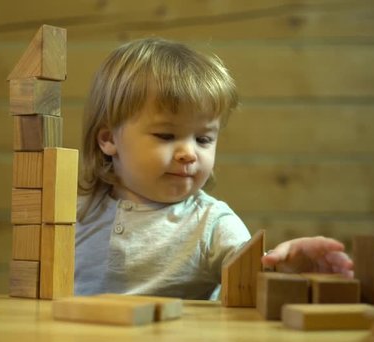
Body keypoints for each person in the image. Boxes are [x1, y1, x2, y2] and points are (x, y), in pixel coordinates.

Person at [74, 38, 353, 300]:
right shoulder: (74, 214)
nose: (188, 153)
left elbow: (254, 277)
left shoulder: (212, 223)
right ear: (109, 139)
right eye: (166, 136)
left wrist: (289, 270)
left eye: (203, 139)